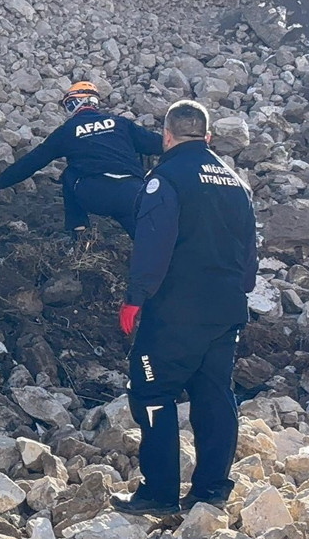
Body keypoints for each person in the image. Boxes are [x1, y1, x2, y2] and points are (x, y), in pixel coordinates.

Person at [111, 100, 258, 516]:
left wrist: (135, 298)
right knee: (214, 393)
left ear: (167, 137)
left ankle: (158, 493)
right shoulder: (236, 182)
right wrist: (240, 290)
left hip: (176, 312)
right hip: (226, 310)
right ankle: (211, 490)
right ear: (208, 137)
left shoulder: (166, 178)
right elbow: (250, 252)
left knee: (152, 390)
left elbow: (153, 244)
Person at [0, 82, 163, 240]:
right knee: (149, 245)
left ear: (76, 103)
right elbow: (160, 145)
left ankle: (79, 234)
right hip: (135, 193)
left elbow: (32, 162)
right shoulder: (121, 123)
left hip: (96, 195)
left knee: (70, 174)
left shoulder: (67, 130)